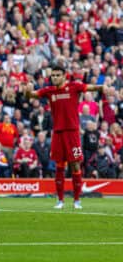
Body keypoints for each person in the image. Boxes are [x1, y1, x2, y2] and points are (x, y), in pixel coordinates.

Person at [25, 59, 105, 209]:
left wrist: (104, 87)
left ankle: (76, 200)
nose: (54, 78)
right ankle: (60, 200)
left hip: (73, 133)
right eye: (53, 75)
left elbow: (91, 87)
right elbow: (31, 96)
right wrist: (27, 90)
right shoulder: (50, 91)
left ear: (64, 76)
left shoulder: (74, 87)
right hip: (58, 134)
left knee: (75, 165)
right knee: (59, 166)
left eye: (57, 75)